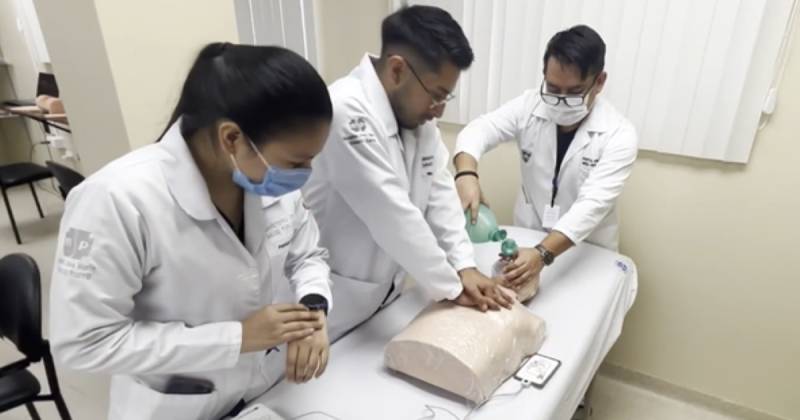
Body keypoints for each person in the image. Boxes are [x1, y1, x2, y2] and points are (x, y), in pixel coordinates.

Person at [49, 43, 334, 420]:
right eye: (296, 162)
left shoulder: (263, 182)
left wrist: (313, 310)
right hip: (173, 404)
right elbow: (84, 343)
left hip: (258, 388)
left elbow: (307, 254)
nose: (304, 176)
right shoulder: (117, 200)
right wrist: (237, 338)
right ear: (231, 138)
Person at [303, 5, 513, 341]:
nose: (440, 109)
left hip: (382, 298)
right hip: (334, 300)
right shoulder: (344, 110)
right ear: (398, 69)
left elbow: (440, 191)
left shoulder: (414, 116)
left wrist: (464, 264)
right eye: (436, 95)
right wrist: (452, 285)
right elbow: (391, 214)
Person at [454, 25, 638, 292]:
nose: (560, 101)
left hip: (584, 250)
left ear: (599, 82)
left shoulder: (619, 134)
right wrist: (466, 174)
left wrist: (543, 253)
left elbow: (592, 206)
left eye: (574, 93)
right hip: (529, 235)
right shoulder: (529, 106)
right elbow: (479, 130)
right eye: (552, 89)